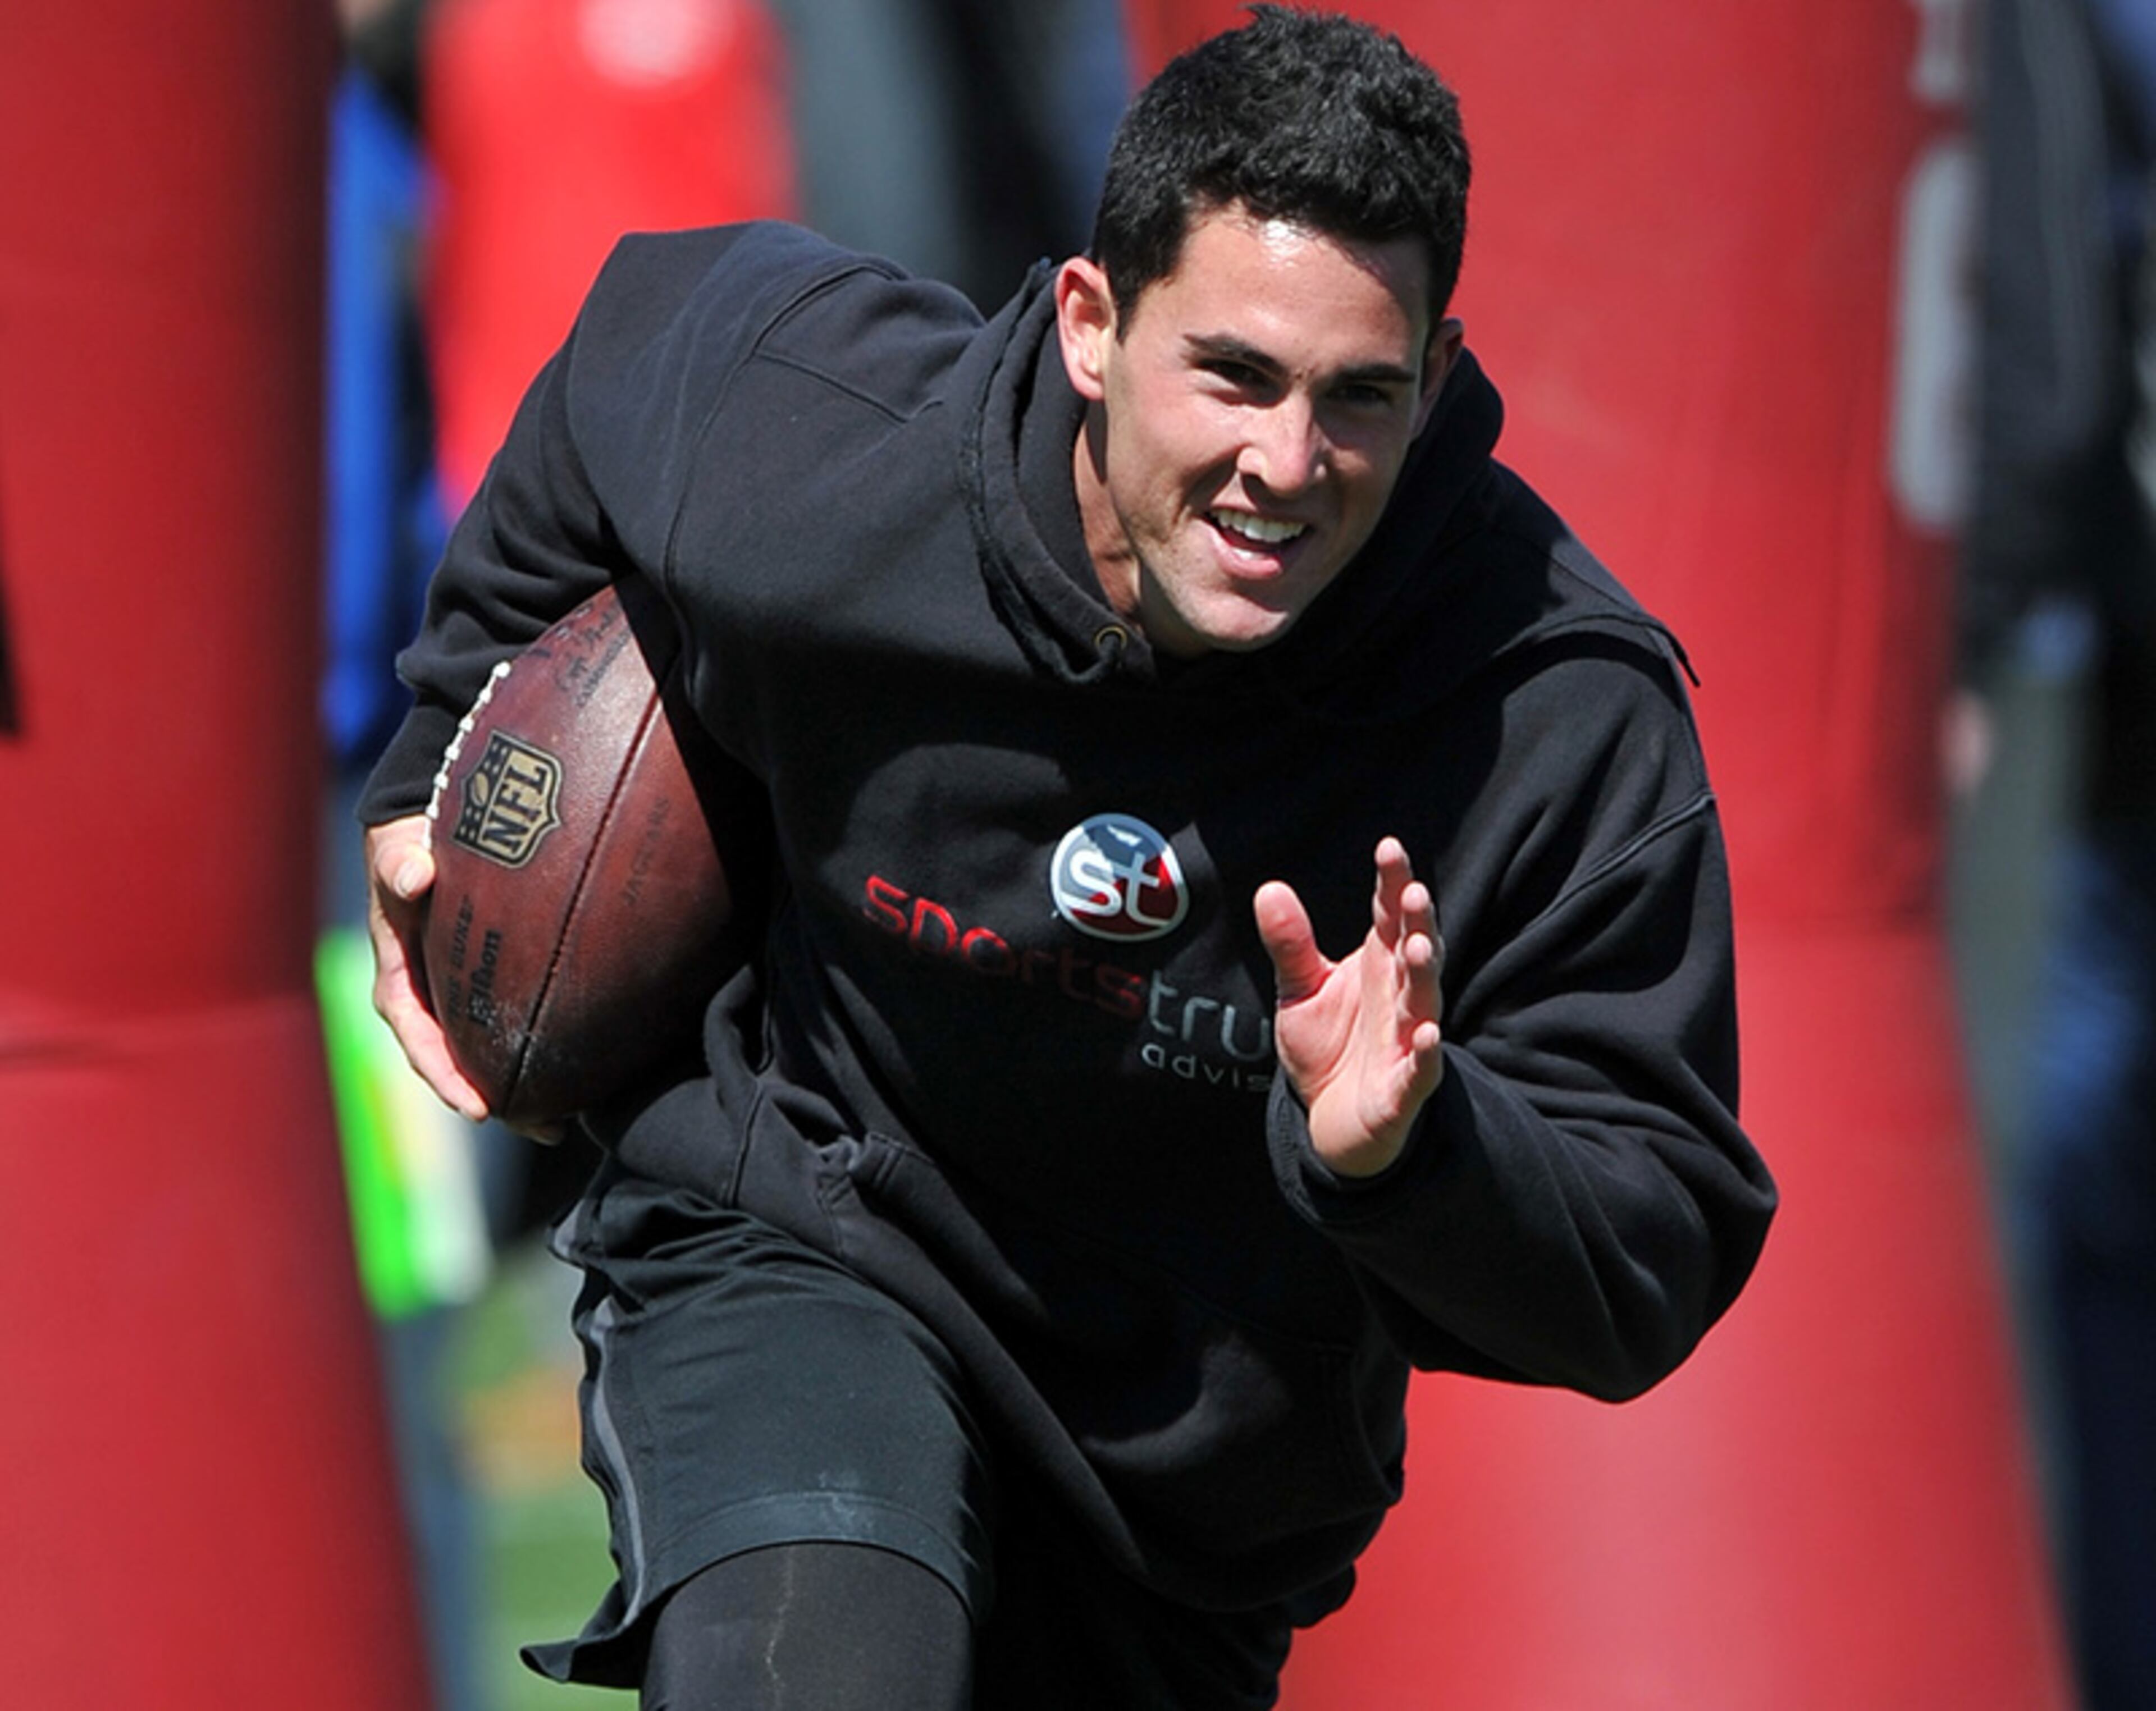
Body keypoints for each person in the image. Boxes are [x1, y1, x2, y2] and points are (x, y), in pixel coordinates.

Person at [360, 10, 1776, 1705]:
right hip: (802, 1239)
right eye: (1234, 375)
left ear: (1442, 368)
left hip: (1183, 1492)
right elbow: (621, 362)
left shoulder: (1551, 709)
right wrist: (443, 756)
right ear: (1093, 323)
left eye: (1361, 397)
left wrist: (1414, 1150)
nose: (1285, 466)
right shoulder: (827, 430)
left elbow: (1650, 1253)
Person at [1959, 0, 2156, 1703]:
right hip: (2051, 643)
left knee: (2031, 1187)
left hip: (2018, 656)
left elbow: (2048, 342)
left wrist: (1988, 606)